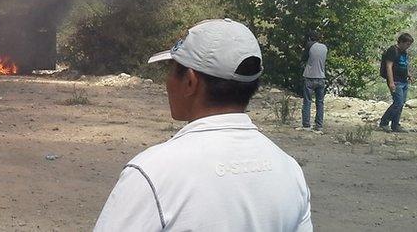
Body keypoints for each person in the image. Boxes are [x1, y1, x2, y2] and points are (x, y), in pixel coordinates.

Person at [94, 19, 312, 231]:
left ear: (190, 81)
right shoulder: (289, 170)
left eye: (170, 71)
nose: (167, 83)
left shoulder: (152, 173)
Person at [379, 33, 413, 132]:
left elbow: (404, 64)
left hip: (404, 81)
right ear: (401, 42)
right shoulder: (392, 50)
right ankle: (384, 122)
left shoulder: (404, 52)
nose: (408, 46)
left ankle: (395, 125)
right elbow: (389, 66)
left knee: (401, 103)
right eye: (407, 44)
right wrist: (391, 82)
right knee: (397, 102)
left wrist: (408, 74)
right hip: (396, 81)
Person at [298, 30, 327, 132]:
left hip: (309, 77)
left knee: (307, 101)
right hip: (321, 77)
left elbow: (303, 59)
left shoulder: (309, 45)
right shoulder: (324, 47)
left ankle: (306, 125)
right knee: (320, 103)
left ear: (309, 38)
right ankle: (319, 126)